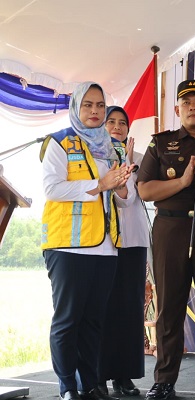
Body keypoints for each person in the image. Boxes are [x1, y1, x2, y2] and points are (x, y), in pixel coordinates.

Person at [137, 80, 195, 400]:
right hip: (171, 229)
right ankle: (164, 381)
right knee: (169, 309)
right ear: (177, 109)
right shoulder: (161, 143)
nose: (193, 106)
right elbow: (145, 189)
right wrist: (183, 182)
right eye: (186, 102)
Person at [41, 82, 136, 400]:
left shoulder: (114, 148)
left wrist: (121, 187)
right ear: (76, 107)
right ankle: (67, 385)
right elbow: (52, 188)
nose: (95, 111)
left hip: (106, 246)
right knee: (68, 320)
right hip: (67, 246)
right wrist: (100, 184)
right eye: (88, 105)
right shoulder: (59, 142)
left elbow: (125, 200)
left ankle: (90, 383)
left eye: (100, 105)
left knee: (94, 321)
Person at [97, 106, 150, 396]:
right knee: (102, 308)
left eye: (122, 123)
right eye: (111, 122)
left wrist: (128, 164)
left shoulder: (139, 158)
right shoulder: (92, 157)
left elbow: (129, 200)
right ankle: (98, 375)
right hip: (101, 242)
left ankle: (124, 375)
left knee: (129, 309)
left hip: (132, 240)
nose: (117, 127)